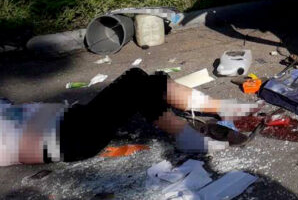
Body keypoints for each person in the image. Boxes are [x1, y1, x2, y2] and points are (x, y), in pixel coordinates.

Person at [0, 68, 263, 166]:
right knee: (136, 83)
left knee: (150, 80)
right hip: (69, 138)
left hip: (69, 122)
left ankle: (219, 108)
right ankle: (188, 136)